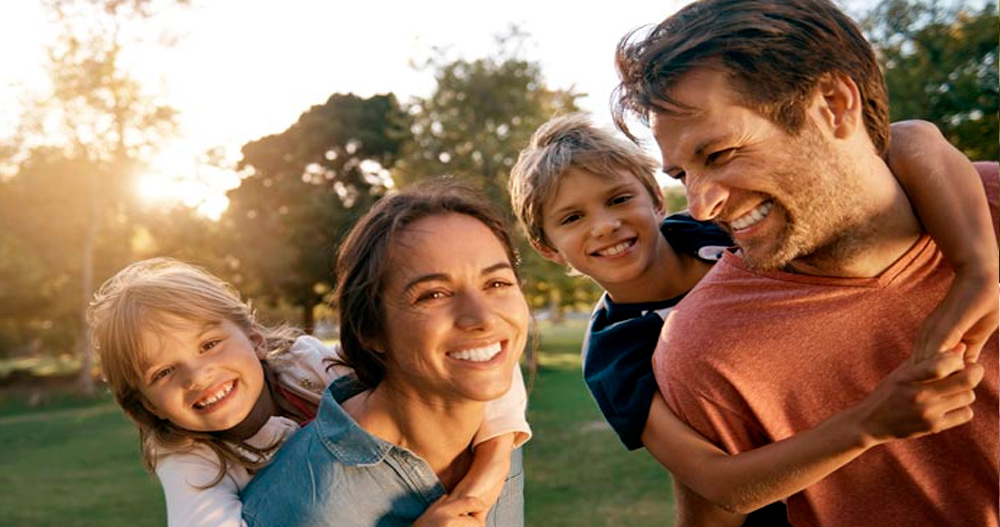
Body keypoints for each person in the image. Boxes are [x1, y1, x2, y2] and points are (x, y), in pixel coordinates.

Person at [611, 0, 999, 526]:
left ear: (835, 105)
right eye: (681, 174)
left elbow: (912, 136)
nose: (700, 206)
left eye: (720, 154)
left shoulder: (982, 209)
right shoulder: (704, 348)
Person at [509, 112, 993, 525]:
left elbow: (909, 138)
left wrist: (978, 268)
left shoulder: (718, 224)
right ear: (548, 248)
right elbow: (719, 484)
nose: (606, 224)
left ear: (656, 200)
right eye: (572, 218)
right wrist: (869, 423)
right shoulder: (618, 350)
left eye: (618, 199)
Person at [88, 256, 531, 527]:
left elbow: (479, 365)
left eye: (209, 345)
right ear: (146, 404)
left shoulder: (308, 365)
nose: (198, 377)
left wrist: (485, 475)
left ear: (255, 338)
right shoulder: (188, 456)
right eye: (164, 372)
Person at [239, 179, 531, 527]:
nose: (482, 318)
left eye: (497, 283)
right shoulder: (307, 503)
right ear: (370, 331)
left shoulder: (497, 435)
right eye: (434, 294)